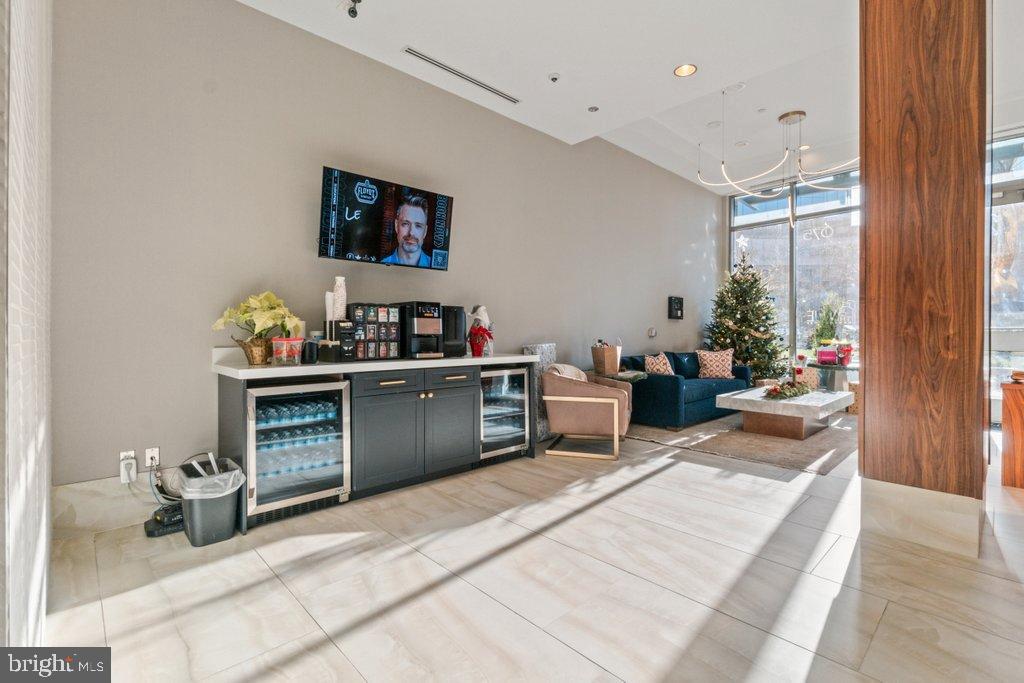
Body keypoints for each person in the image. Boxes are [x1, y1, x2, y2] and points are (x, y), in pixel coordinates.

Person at [382, 194, 431, 267]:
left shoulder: (433, 265)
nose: (411, 232)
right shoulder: (381, 265)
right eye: (405, 224)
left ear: (425, 231)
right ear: (396, 226)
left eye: (418, 226)